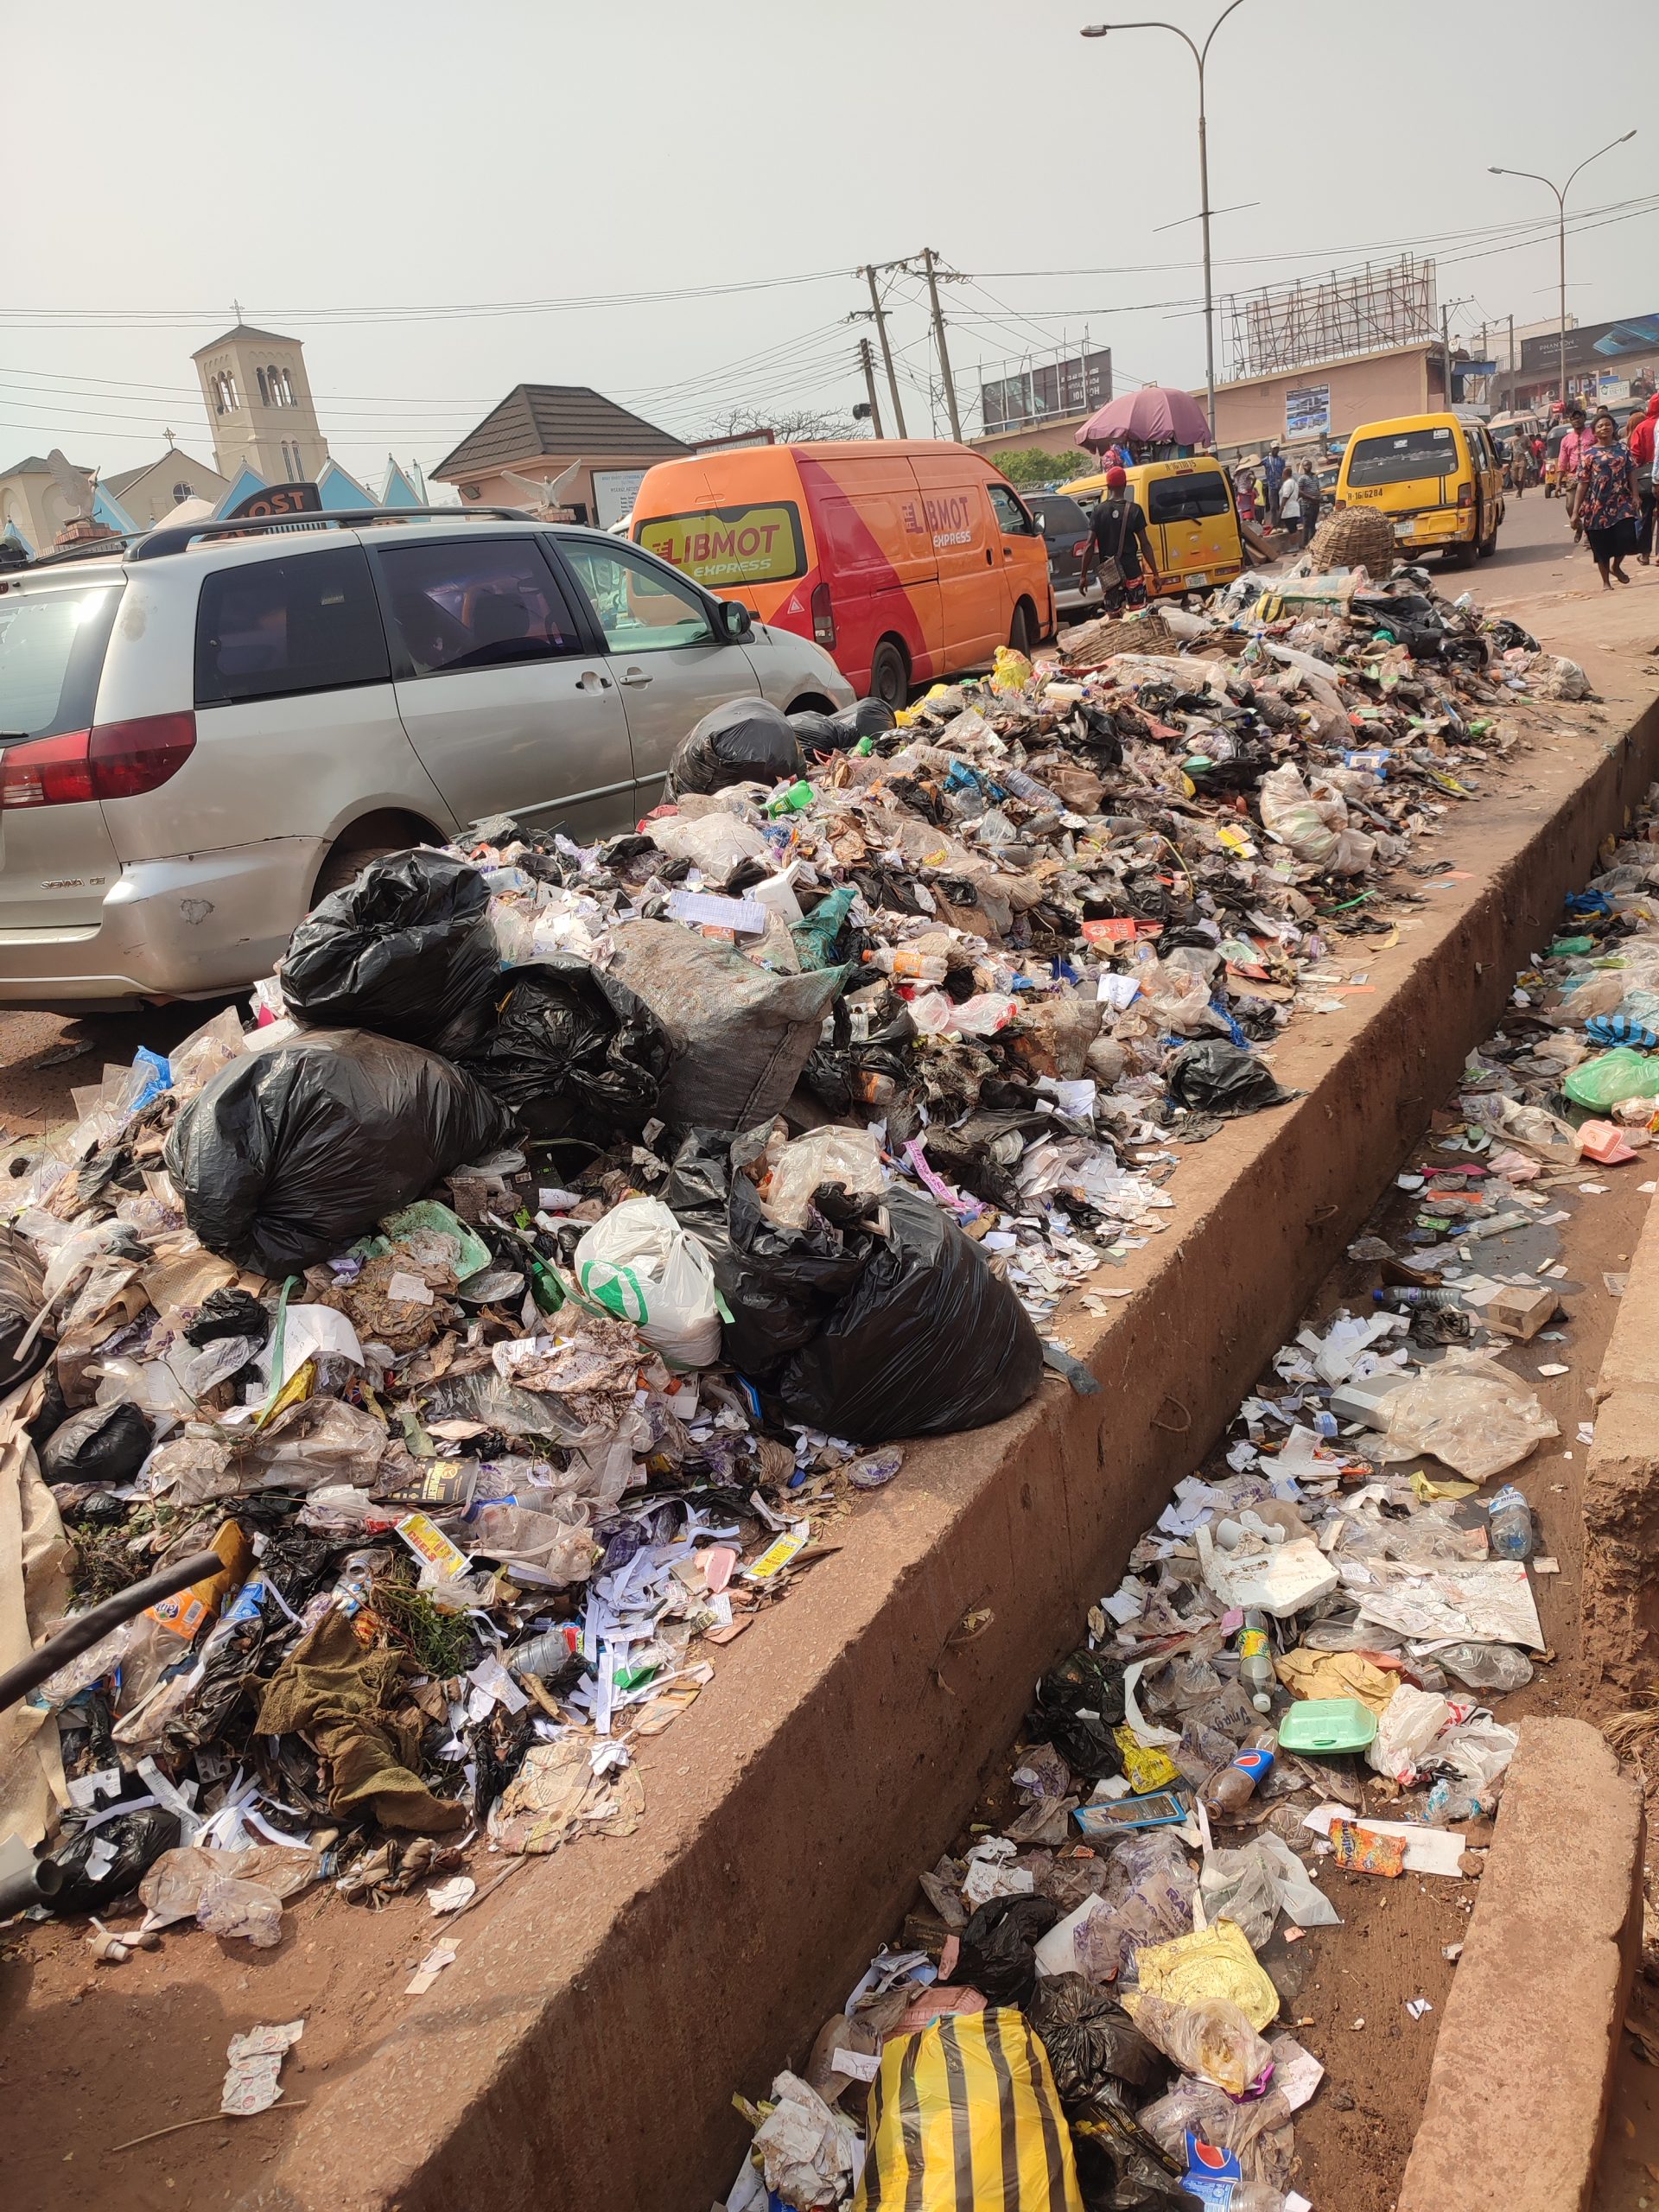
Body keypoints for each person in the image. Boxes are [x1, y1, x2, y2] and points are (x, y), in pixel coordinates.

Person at [1568, 410, 1641, 589]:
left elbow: (1631, 472)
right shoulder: (1589, 454)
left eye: (1608, 424)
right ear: (1594, 431)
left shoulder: (1623, 449)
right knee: (1601, 544)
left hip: (1621, 501)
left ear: (1613, 427)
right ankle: (1606, 582)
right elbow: (1583, 483)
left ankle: (1616, 566)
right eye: (1600, 425)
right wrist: (1575, 512)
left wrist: (1636, 495)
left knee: (1627, 536)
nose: (1605, 428)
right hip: (1596, 506)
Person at [1077, 465, 1160, 608]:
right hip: (1132, 571)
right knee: (1137, 615)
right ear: (1125, 485)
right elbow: (1145, 544)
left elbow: (1089, 545)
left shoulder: (1098, 511)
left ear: (1108, 486)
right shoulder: (1135, 510)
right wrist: (1155, 573)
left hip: (1110, 574)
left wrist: (1083, 576)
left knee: (1113, 620)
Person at [1628, 392, 1659, 564]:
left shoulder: (1642, 427)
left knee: (1646, 517)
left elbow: (1635, 455)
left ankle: (1645, 554)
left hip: (1645, 478)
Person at [1294, 458, 1323, 546]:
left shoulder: (1314, 477)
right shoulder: (1302, 478)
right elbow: (1299, 492)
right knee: (1307, 525)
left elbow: (1317, 488)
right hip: (1307, 505)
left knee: (1313, 524)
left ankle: (1313, 543)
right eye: (1306, 465)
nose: (1308, 467)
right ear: (1303, 467)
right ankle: (1305, 544)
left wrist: (1318, 497)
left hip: (1315, 504)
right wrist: (1311, 498)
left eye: (1309, 465)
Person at [1262, 443, 1287, 527]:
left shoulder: (1281, 460)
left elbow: (1284, 472)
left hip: (1280, 485)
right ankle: (1274, 524)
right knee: (1273, 506)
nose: (1275, 450)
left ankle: (1282, 522)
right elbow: (1257, 463)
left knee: (1282, 505)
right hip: (1272, 485)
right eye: (1274, 448)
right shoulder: (1267, 459)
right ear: (1271, 449)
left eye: (1277, 448)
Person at [1277, 462, 1301, 537]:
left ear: (1285, 474)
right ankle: (1296, 543)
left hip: (1289, 510)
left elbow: (1285, 496)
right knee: (1293, 528)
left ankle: (1294, 545)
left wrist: (1280, 510)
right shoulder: (1294, 482)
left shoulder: (1287, 483)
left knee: (1292, 529)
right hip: (1294, 508)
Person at [1231, 457, 1258, 524]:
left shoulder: (1237, 475)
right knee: (1249, 508)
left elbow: (1236, 485)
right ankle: (1249, 521)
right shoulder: (1247, 473)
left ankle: (1243, 521)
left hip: (1240, 494)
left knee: (1241, 509)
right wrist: (1251, 487)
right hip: (1246, 493)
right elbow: (1254, 478)